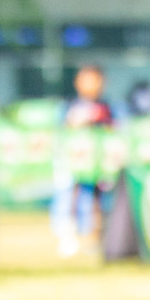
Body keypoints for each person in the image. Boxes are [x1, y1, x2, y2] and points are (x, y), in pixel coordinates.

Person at [56, 65, 115, 257]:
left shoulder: (108, 108)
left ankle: (96, 239)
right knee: (69, 197)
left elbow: (115, 131)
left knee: (99, 201)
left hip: (100, 163)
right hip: (74, 161)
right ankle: (68, 236)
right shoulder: (69, 105)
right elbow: (60, 131)